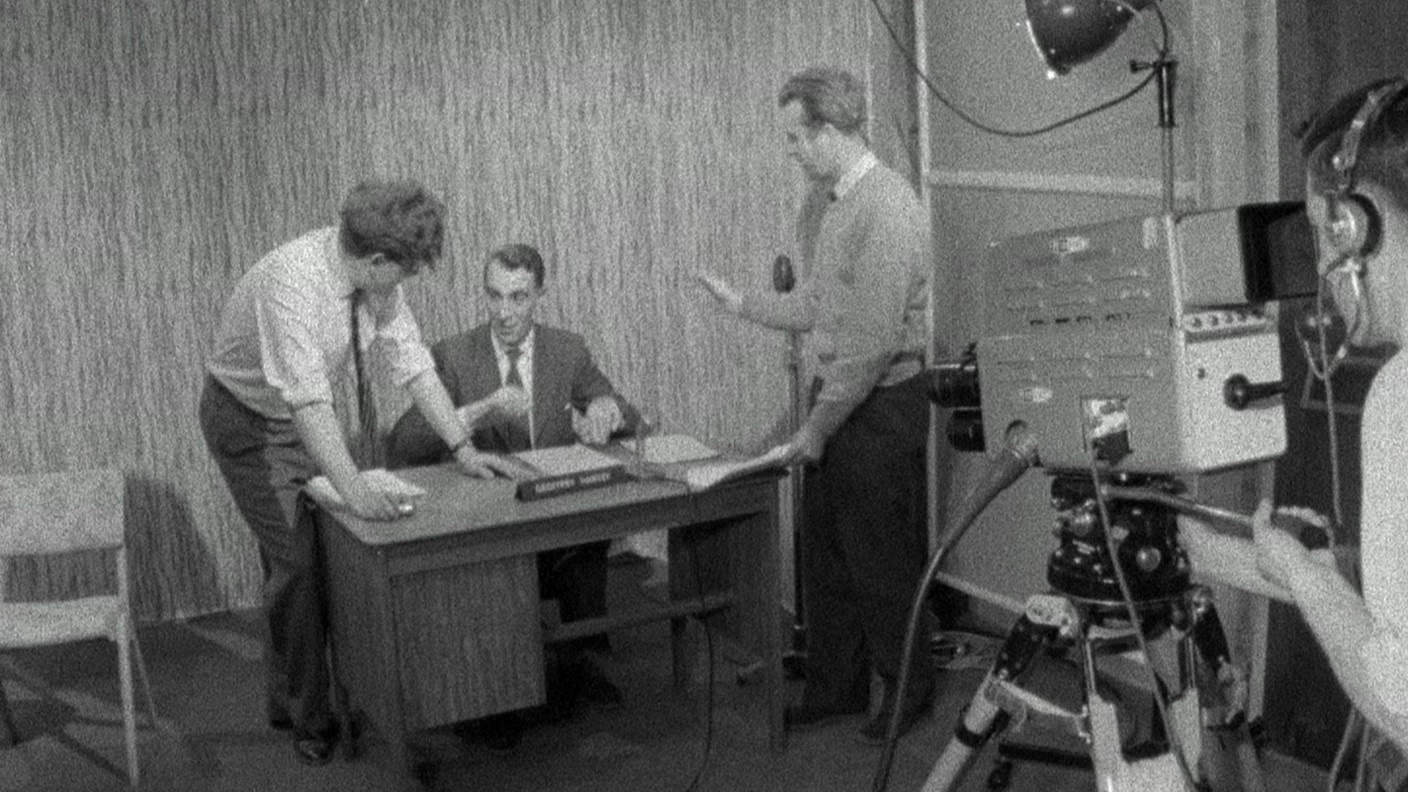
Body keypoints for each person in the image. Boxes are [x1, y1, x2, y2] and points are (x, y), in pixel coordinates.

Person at [199, 180, 523, 766]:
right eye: (403, 272)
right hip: (247, 423)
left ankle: (286, 694)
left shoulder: (371, 282)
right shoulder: (291, 284)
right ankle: (310, 717)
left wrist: (463, 447)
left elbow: (413, 363)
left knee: (299, 557)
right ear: (376, 261)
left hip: (298, 417)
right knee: (300, 562)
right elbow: (308, 404)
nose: (405, 285)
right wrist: (354, 491)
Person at [696, 66, 934, 744]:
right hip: (837, 398)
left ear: (831, 133)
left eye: (796, 138)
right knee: (825, 554)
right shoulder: (821, 203)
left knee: (881, 561)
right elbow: (817, 304)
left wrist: (818, 427)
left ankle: (908, 688)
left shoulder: (889, 207)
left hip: (881, 405)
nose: (791, 151)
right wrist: (743, 304)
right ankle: (836, 686)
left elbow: (871, 341)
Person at [1179, 78, 1408, 779]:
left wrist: (1309, 585)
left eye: (1319, 232)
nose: (1319, 266)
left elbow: (1401, 705)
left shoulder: (1400, 399)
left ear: (1356, 226)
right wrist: (1240, 561)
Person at [386, 242, 642, 751]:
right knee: (490, 568)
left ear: (539, 296)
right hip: (485, 525)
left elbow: (623, 411)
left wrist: (608, 410)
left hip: (550, 516)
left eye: (518, 297)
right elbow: (403, 443)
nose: (504, 312)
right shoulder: (455, 355)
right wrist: (479, 411)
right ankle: (492, 697)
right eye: (494, 296)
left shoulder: (567, 350)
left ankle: (584, 654)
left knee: (586, 539)